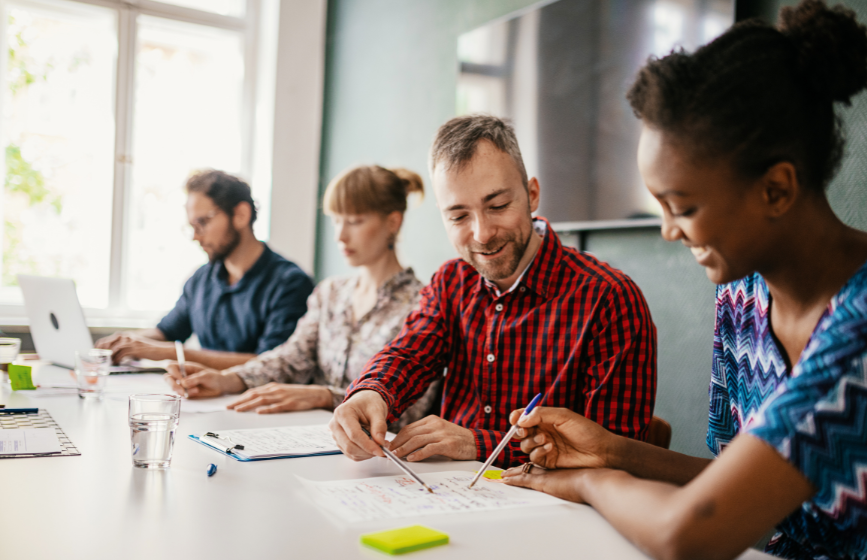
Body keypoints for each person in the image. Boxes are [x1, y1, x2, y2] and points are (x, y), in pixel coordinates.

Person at [502, 1, 867, 560]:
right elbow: (742, 481)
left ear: (776, 189)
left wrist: (589, 483)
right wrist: (613, 452)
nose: (668, 231)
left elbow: (694, 534)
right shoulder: (742, 295)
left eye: (682, 207)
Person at [329, 115, 657, 468]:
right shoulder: (451, 281)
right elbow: (409, 352)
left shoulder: (609, 299)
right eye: (458, 217)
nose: (482, 233)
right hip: (451, 496)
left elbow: (614, 455)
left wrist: (477, 443)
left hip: (555, 510)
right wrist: (370, 392)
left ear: (531, 195)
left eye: (498, 206)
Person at [165, 166, 439, 431]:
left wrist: (323, 396)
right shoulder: (330, 292)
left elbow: (410, 411)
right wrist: (228, 380)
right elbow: (290, 358)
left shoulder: (424, 305)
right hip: (307, 437)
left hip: (375, 457)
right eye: (336, 220)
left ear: (393, 222)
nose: (340, 235)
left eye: (355, 221)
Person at [96, 170, 315, 370]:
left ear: (241, 214)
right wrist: (124, 342)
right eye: (191, 227)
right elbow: (166, 332)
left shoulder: (291, 283)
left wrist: (170, 353)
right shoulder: (201, 279)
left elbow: (270, 363)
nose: (195, 236)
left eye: (202, 223)